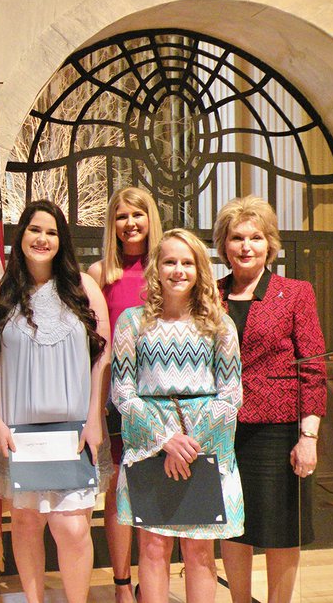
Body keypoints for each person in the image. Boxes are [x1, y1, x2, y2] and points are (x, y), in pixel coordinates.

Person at [0, 199, 110, 603]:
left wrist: (94, 419)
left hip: (72, 433)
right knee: (25, 523)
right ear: (21, 237)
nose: (43, 238)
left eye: (52, 232)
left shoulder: (83, 288)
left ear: (62, 240)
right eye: (35, 229)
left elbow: (102, 355)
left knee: (72, 528)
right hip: (17, 434)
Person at [111, 228, 243, 603]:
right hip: (150, 444)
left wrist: (191, 444)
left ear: (200, 269)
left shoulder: (219, 324)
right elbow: (122, 390)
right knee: (153, 547)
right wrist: (164, 440)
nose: (178, 270)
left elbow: (232, 392)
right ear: (157, 267)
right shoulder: (132, 323)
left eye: (187, 262)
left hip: (205, 446)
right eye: (170, 261)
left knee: (199, 551)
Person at [213, 196, 327, 603]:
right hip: (223, 430)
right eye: (237, 237)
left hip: (279, 431)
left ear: (269, 244)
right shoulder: (210, 295)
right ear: (223, 244)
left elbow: (312, 368)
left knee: (282, 530)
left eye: (255, 237)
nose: (246, 246)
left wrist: (308, 437)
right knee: (232, 526)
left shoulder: (295, 293)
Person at [88, 186, 162, 603]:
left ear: (151, 218)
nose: (130, 223)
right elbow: (94, 345)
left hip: (162, 396)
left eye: (138, 214)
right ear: (112, 225)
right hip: (118, 397)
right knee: (119, 490)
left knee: (154, 486)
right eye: (121, 216)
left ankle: (152, 580)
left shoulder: (168, 268)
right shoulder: (101, 274)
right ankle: (120, 583)